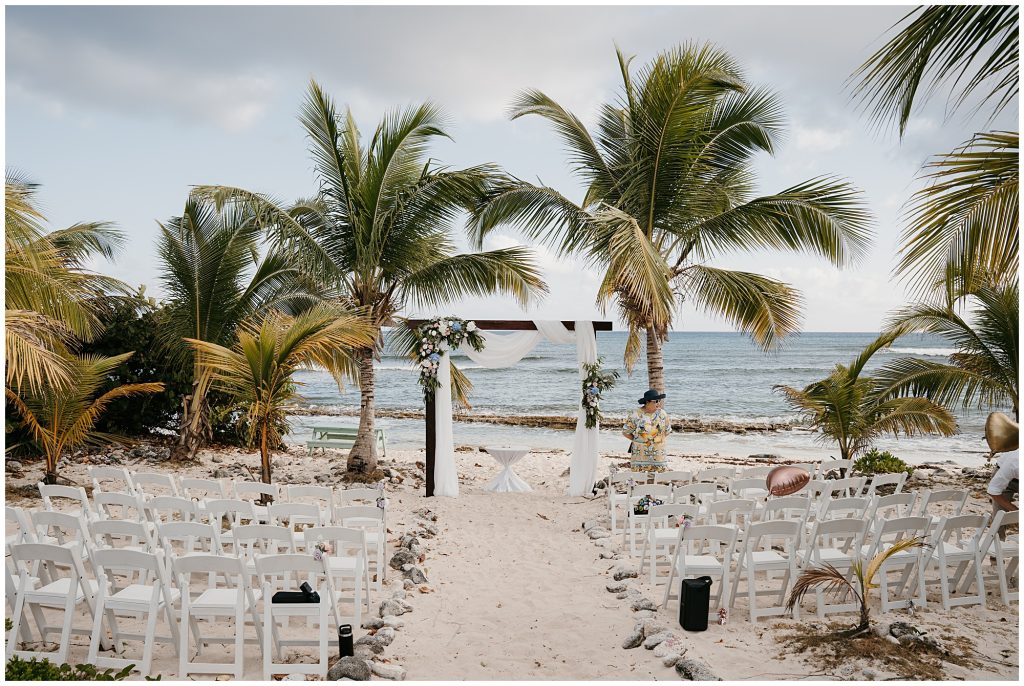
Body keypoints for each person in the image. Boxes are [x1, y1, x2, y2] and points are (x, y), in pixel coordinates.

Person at [622, 389, 671, 473]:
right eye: (656, 401)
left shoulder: (663, 414)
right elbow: (626, 432)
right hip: (639, 456)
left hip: (659, 456)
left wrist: (656, 440)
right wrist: (638, 440)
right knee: (639, 480)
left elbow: (667, 431)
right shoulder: (636, 415)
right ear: (647, 402)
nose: (659, 403)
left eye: (659, 401)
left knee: (659, 480)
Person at [987, 448, 1018, 539]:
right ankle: (997, 547)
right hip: (1004, 473)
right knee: (1000, 518)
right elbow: (993, 491)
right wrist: (1015, 511)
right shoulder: (1014, 462)